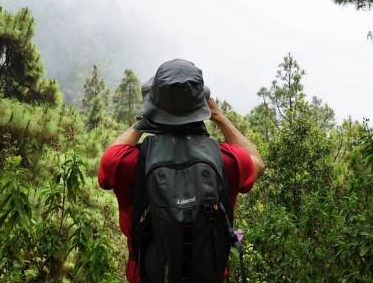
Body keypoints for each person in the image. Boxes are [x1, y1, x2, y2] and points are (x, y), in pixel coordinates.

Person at [98, 59, 265, 283]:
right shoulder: (225, 160)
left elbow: (107, 162)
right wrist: (219, 117)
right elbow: (257, 162)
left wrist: (143, 120)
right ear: (203, 108)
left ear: (153, 108)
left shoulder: (131, 162)